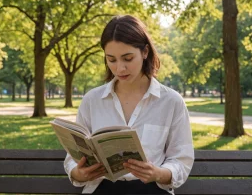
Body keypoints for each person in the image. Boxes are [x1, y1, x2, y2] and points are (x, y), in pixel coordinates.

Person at [64, 15, 194, 194]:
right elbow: (73, 157)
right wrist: (78, 173)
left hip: (151, 189)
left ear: (145, 52)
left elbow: (181, 160)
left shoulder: (171, 101)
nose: (120, 68)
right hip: (102, 188)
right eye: (112, 59)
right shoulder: (92, 100)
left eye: (127, 58)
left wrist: (159, 173)